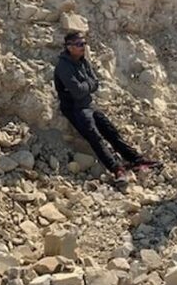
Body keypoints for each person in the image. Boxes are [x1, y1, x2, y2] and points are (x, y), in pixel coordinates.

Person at [53, 31, 159, 181]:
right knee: (95, 137)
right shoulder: (64, 66)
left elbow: (95, 83)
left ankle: (135, 159)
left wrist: (86, 86)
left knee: (111, 131)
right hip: (75, 108)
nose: (83, 46)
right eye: (79, 44)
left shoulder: (82, 61)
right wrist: (88, 85)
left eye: (84, 43)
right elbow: (78, 92)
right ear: (69, 47)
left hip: (88, 104)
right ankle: (116, 169)